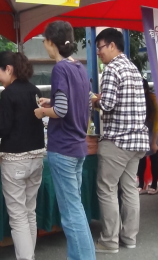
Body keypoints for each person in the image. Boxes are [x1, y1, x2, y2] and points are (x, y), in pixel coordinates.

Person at [34, 21, 95, 260]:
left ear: (51, 42)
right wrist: (52, 103)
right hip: (78, 145)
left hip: (63, 148)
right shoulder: (78, 67)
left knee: (71, 213)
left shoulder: (59, 69)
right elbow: (86, 99)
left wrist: (41, 112)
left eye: (45, 41)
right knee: (76, 208)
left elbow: (60, 110)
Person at [91, 28, 149, 253]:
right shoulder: (132, 67)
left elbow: (107, 105)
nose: (98, 52)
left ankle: (109, 240)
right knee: (130, 189)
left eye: (100, 47)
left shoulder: (112, 68)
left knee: (107, 188)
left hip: (117, 141)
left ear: (112, 46)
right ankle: (129, 238)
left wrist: (95, 100)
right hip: (137, 141)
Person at [0, 51, 45, 260]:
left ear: (9, 69)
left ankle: (26, 257)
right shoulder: (34, 89)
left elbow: (3, 128)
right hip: (37, 155)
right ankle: (29, 254)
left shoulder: (8, 93)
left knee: (18, 215)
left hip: (15, 159)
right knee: (29, 211)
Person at [137, 79, 158, 195]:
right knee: (140, 156)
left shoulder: (154, 100)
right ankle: (141, 184)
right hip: (143, 130)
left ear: (145, 89)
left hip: (156, 131)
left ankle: (154, 184)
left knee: (154, 155)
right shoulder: (136, 99)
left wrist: (154, 143)